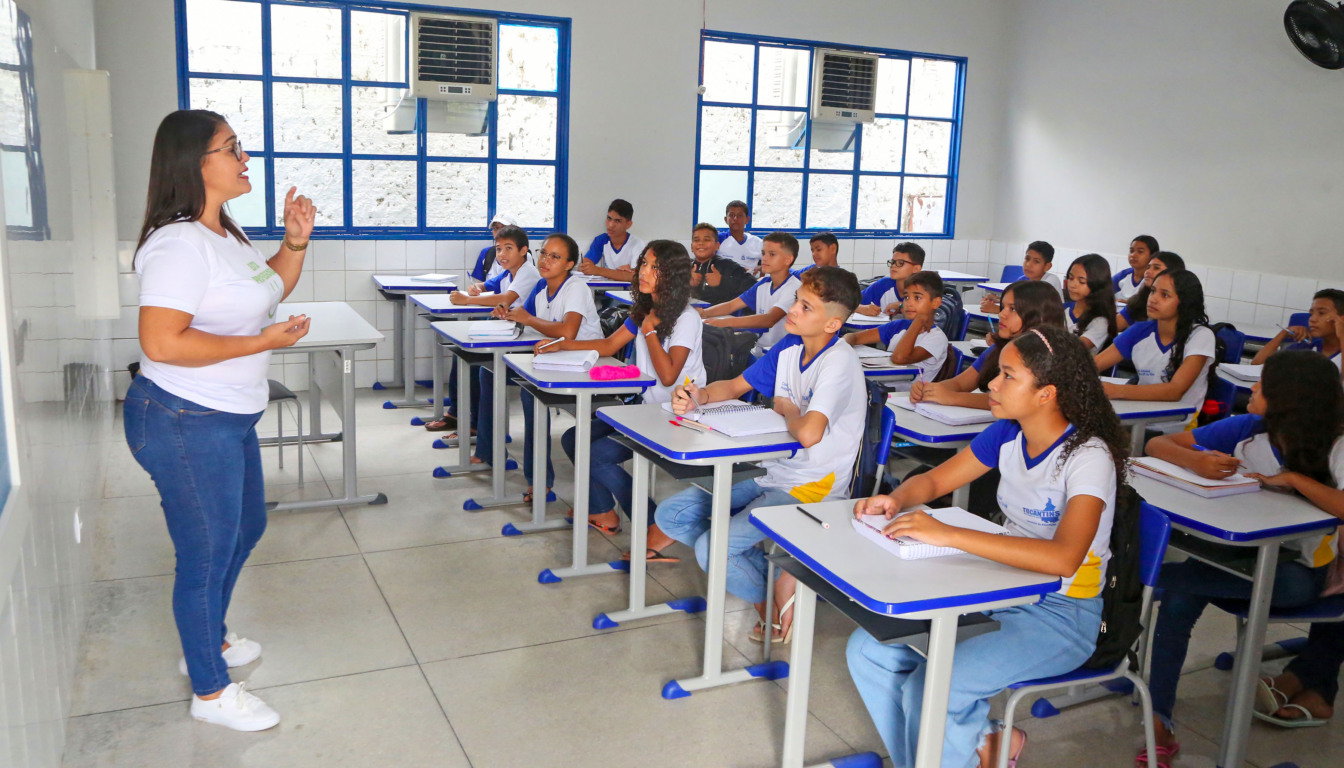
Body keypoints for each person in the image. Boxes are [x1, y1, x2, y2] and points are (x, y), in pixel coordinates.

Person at [847, 325, 1129, 768]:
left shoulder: (1087, 456)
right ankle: (951, 751)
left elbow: (1063, 557)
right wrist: (897, 498)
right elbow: (939, 479)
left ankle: (961, 749)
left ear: (1046, 394)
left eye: (1008, 376)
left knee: (937, 685)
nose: (991, 385)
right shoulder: (1008, 434)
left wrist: (949, 533)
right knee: (866, 652)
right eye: (996, 373)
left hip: (1062, 613)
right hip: (997, 589)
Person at [125, 110, 316, 731]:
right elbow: (162, 342)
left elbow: (268, 291)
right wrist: (262, 345)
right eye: (232, 149)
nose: (244, 159)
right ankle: (209, 690)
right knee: (205, 554)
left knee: (246, 528)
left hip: (226, 416)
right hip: (183, 418)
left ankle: (210, 636)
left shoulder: (223, 233)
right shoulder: (178, 243)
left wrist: (294, 242)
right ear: (194, 164)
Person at [1141, 350, 1344, 761]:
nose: (1251, 388)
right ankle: (1158, 717)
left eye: (1262, 383)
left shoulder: (1338, 444)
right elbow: (1160, 443)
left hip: (1306, 574)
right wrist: (1196, 459)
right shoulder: (1249, 428)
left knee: (1176, 583)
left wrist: (1294, 479)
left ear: (1289, 397)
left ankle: (1144, 580)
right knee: (1179, 600)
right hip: (1237, 559)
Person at [657, 267, 866, 642]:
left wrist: (785, 408)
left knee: (713, 547)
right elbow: (735, 386)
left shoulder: (839, 362)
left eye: (806, 306)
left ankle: (773, 593)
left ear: (833, 323)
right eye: (796, 300)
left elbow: (808, 434)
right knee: (671, 515)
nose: (793, 309)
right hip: (775, 471)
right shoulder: (790, 347)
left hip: (812, 485)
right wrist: (697, 397)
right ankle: (774, 579)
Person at [543, 241, 706, 559]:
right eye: (643, 263)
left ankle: (654, 526)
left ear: (671, 275)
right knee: (575, 438)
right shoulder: (647, 311)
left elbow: (669, 375)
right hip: (647, 408)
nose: (643, 271)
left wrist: (649, 332)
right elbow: (607, 344)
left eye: (653, 267)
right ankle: (604, 512)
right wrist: (561, 345)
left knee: (598, 455)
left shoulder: (687, 318)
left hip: (677, 413)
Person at [474, 234, 602, 500]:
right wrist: (506, 312)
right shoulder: (542, 288)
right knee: (489, 372)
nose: (545, 260)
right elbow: (524, 320)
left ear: (569, 264)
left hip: (585, 365)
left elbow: (568, 331)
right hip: (555, 361)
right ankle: (489, 451)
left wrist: (528, 317)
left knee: (529, 391)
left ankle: (539, 479)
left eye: (555, 257)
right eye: (544, 253)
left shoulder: (575, 287)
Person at [425, 225, 540, 435]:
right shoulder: (508, 273)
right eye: (498, 249)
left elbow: (507, 298)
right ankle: (458, 413)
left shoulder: (528, 272)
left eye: (508, 248)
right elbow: (487, 285)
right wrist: (476, 289)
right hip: (507, 331)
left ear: (524, 251)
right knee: (461, 354)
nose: (502, 254)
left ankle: (475, 425)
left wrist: (467, 300)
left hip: (522, 339)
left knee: (478, 365)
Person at [1094, 269, 1216, 433]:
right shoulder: (1140, 330)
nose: (1153, 299)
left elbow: (1175, 391)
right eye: (1153, 291)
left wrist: (1116, 390)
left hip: (1177, 427)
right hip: (1138, 417)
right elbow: (1093, 365)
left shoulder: (1200, 336)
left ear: (1185, 302)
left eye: (1165, 295)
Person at [911, 281, 1066, 410]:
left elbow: (1006, 399)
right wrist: (929, 390)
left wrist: (953, 398)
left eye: (1012, 309)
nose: (1001, 314)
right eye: (1003, 307)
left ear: (1038, 315)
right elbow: (959, 383)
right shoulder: (998, 349)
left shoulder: (1047, 357)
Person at [698, 231, 801, 353]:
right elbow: (732, 305)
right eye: (763, 253)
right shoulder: (763, 283)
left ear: (788, 260)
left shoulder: (795, 287)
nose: (765, 258)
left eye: (772, 254)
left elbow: (769, 319)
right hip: (759, 349)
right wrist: (704, 313)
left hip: (782, 353)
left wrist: (725, 322)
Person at [844, 271, 948, 388]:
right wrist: (844, 346)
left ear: (936, 303)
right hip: (881, 387)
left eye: (917, 297)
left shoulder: (937, 338)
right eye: (906, 297)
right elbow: (854, 337)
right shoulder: (899, 326)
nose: (909, 303)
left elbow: (899, 358)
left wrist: (918, 322)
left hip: (904, 397)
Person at [1251, 288, 1344, 375]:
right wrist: (1282, 334)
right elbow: (1256, 366)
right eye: (1311, 314)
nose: (1312, 319)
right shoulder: (1306, 347)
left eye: (1321, 313)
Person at [577, 199, 646, 281]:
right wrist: (584, 267)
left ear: (628, 224)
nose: (611, 225)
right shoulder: (601, 240)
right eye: (609, 218)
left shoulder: (637, 244)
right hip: (606, 289)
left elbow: (635, 276)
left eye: (617, 221)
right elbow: (585, 266)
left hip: (629, 291)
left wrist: (599, 270)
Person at [982, 241, 1060, 312]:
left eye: (1036, 261)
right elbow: (1019, 303)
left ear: (1047, 266)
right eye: (1027, 259)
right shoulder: (1023, 280)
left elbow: (1034, 310)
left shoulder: (1051, 281)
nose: (1029, 264)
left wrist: (998, 309)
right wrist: (999, 300)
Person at [689, 221, 754, 306]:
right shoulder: (684, 267)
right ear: (691, 246)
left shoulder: (728, 266)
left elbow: (753, 287)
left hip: (720, 316)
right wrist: (685, 283)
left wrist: (723, 282)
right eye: (696, 240)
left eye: (707, 239)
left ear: (717, 246)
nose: (701, 243)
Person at [1064, 253, 1119, 353]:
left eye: (1081, 281)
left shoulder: (1100, 321)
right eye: (1071, 278)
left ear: (1097, 284)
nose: (1072, 285)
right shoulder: (1062, 309)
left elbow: (1074, 350)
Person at [1117, 251, 1184, 331]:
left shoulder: (1179, 310)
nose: (1147, 272)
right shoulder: (1139, 301)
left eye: (1156, 268)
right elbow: (1113, 326)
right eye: (1148, 267)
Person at [855, 242, 925, 317]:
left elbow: (926, 318)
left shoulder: (926, 290)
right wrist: (861, 308)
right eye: (893, 262)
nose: (893, 266)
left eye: (900, 263)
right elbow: (846, 304)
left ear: (916, 268)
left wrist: (900, 306)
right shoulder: (884, 285)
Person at [470, 212, 518, 282]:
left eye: (504, 228)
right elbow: (477, 283)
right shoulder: (486, 253)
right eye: (496, 228)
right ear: (493, 233)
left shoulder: (522, 255)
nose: (500, 232)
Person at [717, 200, 763, 272]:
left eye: (740, 215)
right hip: (725, 281)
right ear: (726, 219)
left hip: (752, 281)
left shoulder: (758, 242)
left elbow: (772, 261)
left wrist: (762, 267)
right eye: (732, 215)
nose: (735, 219)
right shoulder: (718, 239)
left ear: (747, 220)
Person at [1113, 235, 1160, 302]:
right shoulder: (1123, 275)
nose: (1133, 255)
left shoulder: (1154, 278)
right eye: (1131, 251)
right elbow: (1105, 292)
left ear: (1152, 255)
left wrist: (1129, 304)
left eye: (1140, 251)